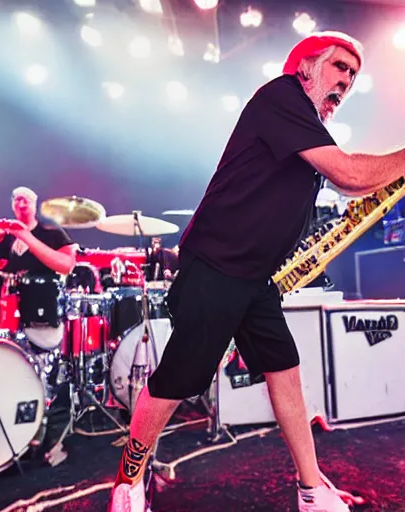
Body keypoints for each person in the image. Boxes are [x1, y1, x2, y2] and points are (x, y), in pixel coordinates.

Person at [109, 31, 405, 512]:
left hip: (254, 278)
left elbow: (351, 186)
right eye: (339, 68)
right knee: (176, 380)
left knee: (285, 372)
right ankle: (127, 481)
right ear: (306, 67)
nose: (346, 82)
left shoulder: (305, 123)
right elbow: (349, 174)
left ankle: (312, 491)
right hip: (217, 265)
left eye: (353, 75)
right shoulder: (281, 97)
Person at [0, 186, 77, 327]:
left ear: (35, 204)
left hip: (38, 317)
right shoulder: (0, 234)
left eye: (26, 200)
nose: (21, 204)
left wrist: (26, 236)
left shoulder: (52, 233)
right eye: (17, 199)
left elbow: (67, 265)